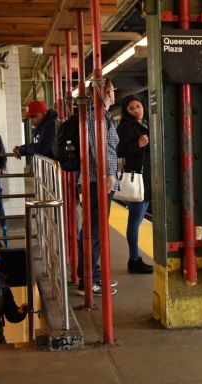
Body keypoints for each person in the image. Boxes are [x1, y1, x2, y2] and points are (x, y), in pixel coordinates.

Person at [77, 78, 119, 296]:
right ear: (107, 92)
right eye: (112, 89)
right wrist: (109, 175)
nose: (114, 93)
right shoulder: (97, 115)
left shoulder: (102, 115)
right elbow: (99, 148)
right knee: (94, 230)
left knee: (94, 229)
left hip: (97, 180)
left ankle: (90, 273)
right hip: (98, 181)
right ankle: (87, 280)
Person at [117, 95, 153, 274]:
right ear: (126, 111)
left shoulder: (145, 123)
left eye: (138, 106)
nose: (136, 110)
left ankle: (135, 258)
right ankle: (134, 259)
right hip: (137, 177)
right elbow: (119, 151)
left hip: (147, 178)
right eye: (131, 108)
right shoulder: (125, 126)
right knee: (135, 220)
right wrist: (138, 144)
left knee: (138, 219)